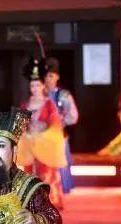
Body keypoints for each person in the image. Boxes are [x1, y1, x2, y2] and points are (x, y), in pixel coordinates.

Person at [18, 57, 67, 209]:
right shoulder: (25, 104)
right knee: (29, 174)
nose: (34, 88)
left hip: (44, 144)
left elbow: (55, 124)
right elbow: (20, 124)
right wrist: (25, 133)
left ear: (43, 86)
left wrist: (42, 133)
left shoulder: (49, 104)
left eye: (37, 85)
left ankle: (48, 201)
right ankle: (31, 201)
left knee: (45, 173)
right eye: (32, 85)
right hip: (29, 144)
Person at [44, 57, 79, 194]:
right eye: (45, 76)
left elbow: (73, 116)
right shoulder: (39, 94)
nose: (48, 79)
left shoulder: (63, 95)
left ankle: (61, 191)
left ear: (57, 77)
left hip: (58, 136)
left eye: (51, 76)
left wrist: (60, 122)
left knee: (60, 167)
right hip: (41, 138)